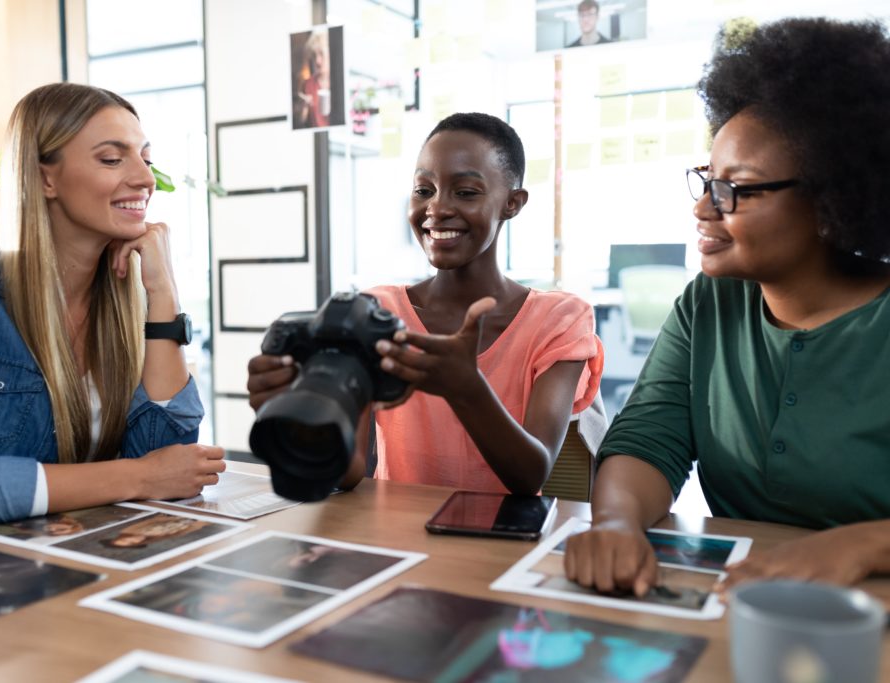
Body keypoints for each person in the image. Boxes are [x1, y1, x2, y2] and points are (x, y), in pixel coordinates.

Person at [563, 17, 890, 597]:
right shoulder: (709, 303)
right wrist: (616, 523)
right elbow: (647, 441)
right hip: (740, 603)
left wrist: (861, 545)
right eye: (706, 180)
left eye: (734, 188)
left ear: (830, 199)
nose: (703, 209)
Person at [0, 83, 225, 528]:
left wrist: (164, 294)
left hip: (83, 563)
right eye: (112, 158)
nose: (144, 178)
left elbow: (169, 464)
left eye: (146, 158)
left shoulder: (127, 296)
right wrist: (137, 476)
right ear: (45, 178)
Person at [249, 113, 603, 495]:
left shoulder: (559, 320)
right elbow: (349, 472)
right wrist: (294, 413)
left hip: (500, 546)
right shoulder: (376, 312)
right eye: (423, 190)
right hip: (398, 539)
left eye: (465, 192)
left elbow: (531, 474)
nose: (437, 208)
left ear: (512, 203)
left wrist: (466, 388)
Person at [293, 28, 331, 129]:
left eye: (321, 54)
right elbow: (302, 122)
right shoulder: (308, 85)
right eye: (314, 56)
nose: (317, 61)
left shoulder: (338, 83)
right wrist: (303, 107)